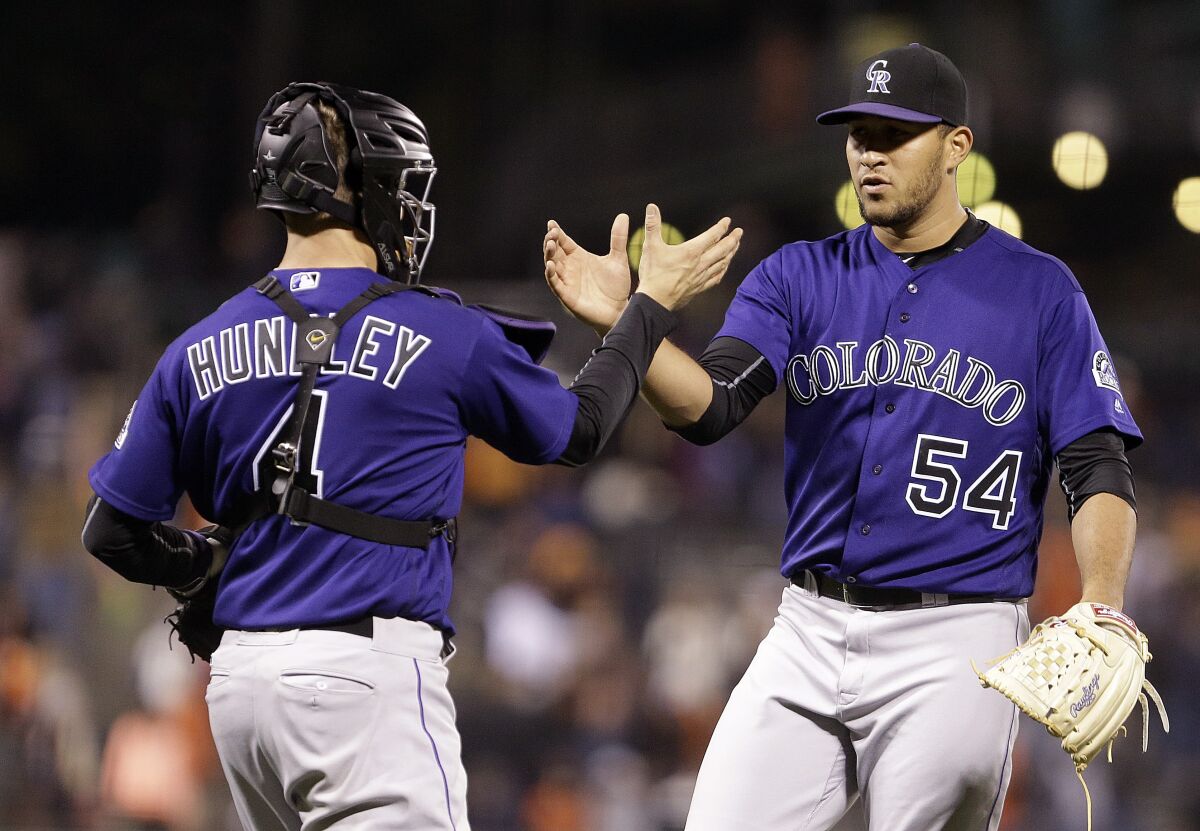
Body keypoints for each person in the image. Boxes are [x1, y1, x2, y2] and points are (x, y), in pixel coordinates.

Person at [81, 81, 741, 831]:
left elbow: (111, 530)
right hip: (365, 681)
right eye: (403, 185)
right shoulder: (440, 332)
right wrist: (645, 309)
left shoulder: (195, 344)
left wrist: (202, 566)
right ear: (360, 190)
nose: (413, 205)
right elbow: (582, 428)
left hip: (239, 692)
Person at [543, 43, 1143, 830]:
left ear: (957, 144)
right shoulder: (798, 275)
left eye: (894, 135)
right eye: (858, 134)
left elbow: (1097, 466)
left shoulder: (1040, 291)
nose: (870, 154)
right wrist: (634, 327)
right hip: (808, 628)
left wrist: (1102, 602)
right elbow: (712, 405)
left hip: (958, 638)